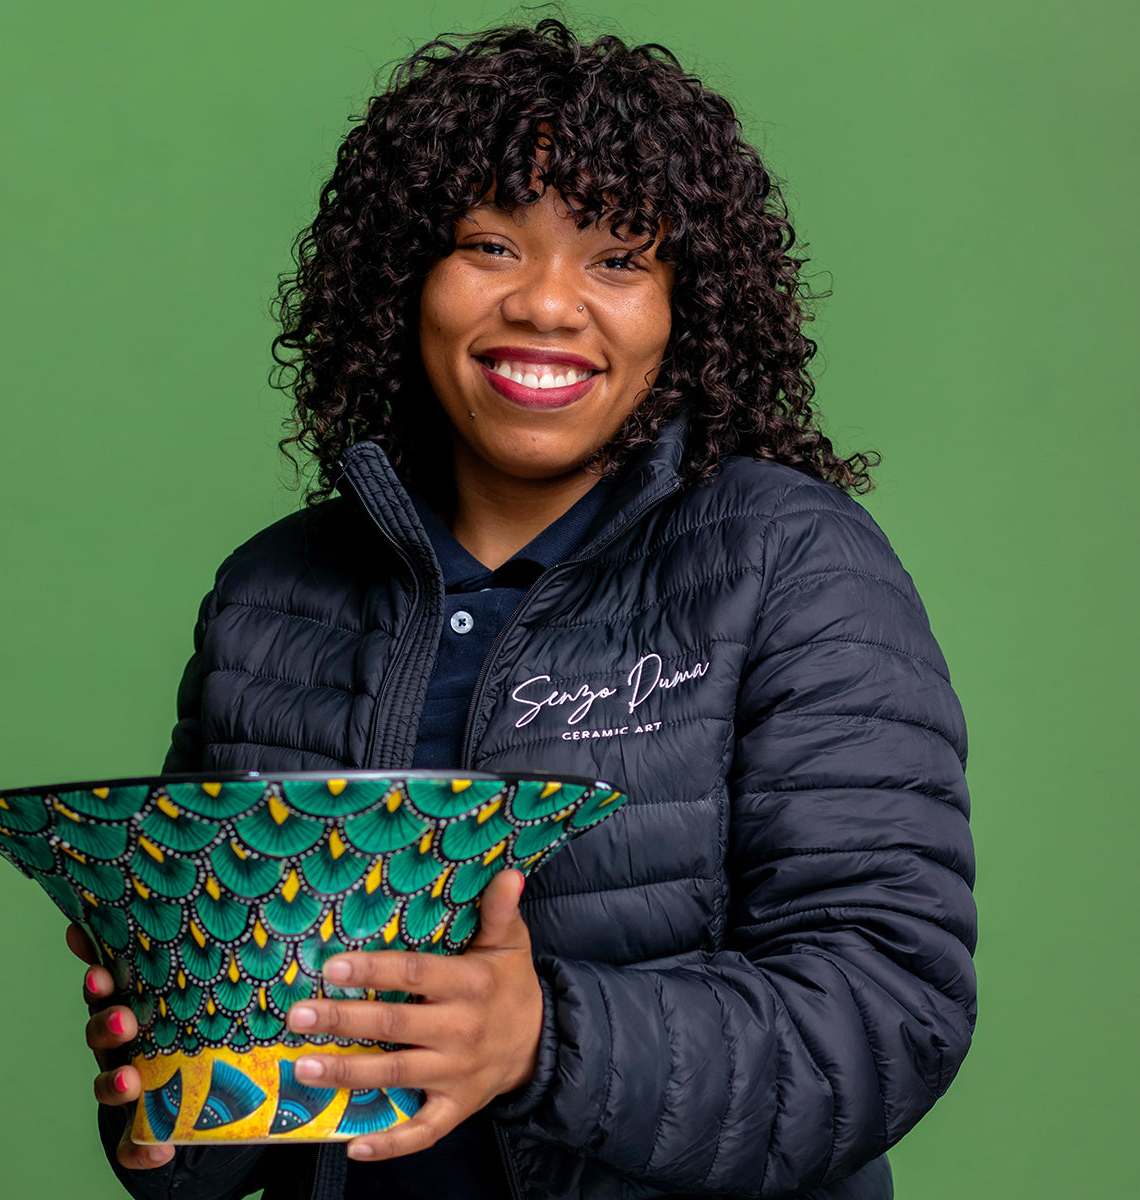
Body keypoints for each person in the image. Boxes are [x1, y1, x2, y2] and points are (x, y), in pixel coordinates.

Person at [68, 19, 976, 1200]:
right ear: (406, 278)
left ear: (685, 310)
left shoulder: (793, 564)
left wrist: (542, 1040)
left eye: (616, 260)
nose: (548, 304)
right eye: (491, 243)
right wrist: (167, 1115)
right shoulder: (271, 594)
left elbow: (885, 1010)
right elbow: (232, 1114)